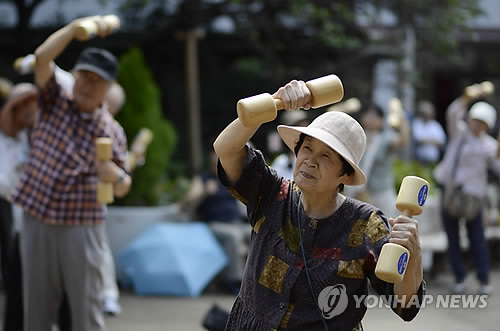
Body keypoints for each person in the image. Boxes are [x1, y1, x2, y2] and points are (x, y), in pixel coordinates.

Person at [213, 80, 425, 330]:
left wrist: (414, 255)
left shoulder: (366, 225)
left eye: (325, 156)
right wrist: (275, 101)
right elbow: (225, 148)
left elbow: (405, 305)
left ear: (345, 175)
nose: (310, 162)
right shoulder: (271, 193)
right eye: (306, 149)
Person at [10, 16, 131, 331]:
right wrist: (74, 28)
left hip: (81, 223)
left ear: (108, 89)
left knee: (86, 310)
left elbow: (123, 186)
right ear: (74, 77)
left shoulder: (112, 131)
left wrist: (113, 174)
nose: (88, 85)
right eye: (84, 77)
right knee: (35, 309)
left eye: (97, 81)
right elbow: (42, 57)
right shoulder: (53, 102)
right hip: (37, 214)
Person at [433, 97, 499, 295]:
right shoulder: (459, 133)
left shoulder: (490, 145)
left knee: (477, 239)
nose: (477, 125)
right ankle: (459, 277)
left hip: (473, 198)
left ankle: (484, 279)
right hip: (453, 193)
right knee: (452, 238)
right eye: (475, 120)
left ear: (487, 126)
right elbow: (452, 112)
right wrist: (467, 97)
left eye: (482, 122)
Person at [180, 149, 250, 294]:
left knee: (259, 233)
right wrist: (204, 192)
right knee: (233, 237)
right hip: (213, 224)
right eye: (215, 153)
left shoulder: (230, 177)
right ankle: (235, 281)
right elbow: (185, 204)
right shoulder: (203, 178)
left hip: (236, 223)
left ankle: (259, 279)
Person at [0, 83, 38, 331]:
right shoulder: (5, 142)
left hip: (34, 221)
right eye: (21, 105)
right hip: (12, 219)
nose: (27, 110)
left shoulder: (34, 139)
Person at [271, 110, 310, 180]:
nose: (304, 134)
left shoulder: (313, 161)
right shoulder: (281, 162)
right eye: (299, 128)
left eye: (306, 127)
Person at [412, 100, 446, 165]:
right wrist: (433, 140)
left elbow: (441, 142)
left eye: (428, 113)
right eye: (424, 113)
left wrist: (426, 140)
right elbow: (418, 140)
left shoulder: (436, 125)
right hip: (419, 159)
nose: (426, 114)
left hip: (433, 160)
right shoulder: (417, 123)